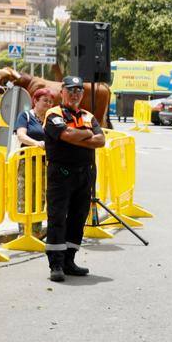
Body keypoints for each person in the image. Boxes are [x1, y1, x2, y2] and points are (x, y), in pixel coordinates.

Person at [43, 76, 105, 282]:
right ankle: (56, 265)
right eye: (70, 90)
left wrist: (79, 137)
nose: (75, 93)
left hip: (84, 174)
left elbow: (101, 140)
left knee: (78, 218)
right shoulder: (54, 114)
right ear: (62, 92)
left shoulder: (89, 115)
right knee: (58, 218)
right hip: (61, 174)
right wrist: (87, 135)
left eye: (79, 90)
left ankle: (69, 261)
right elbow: (66, 135)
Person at [15, 88, 53, 235]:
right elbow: (21, 135)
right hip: (27, 163)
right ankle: (24, 232)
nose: (48, 104)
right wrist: (37, 143)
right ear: (35, 101)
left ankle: (36, 232)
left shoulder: (51, 119)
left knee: (40, 198)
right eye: (45, 101)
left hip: (45, 163)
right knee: (25, 197)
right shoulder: (25, 116)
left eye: (50, 102)